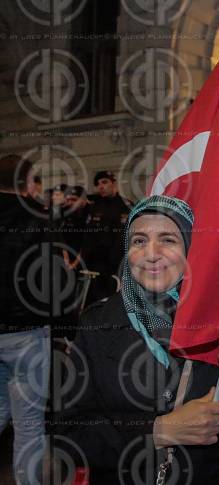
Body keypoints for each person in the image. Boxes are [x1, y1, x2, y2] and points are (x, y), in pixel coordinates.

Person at [55, 195, 219, 484]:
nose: (151, 253)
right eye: (139, 241)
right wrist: (160, 430)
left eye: (168, 239)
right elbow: (68, 431)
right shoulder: (97, 323)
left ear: (191, 249)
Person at [0, 154, 50, 485]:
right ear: (25, 183)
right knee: (29, 423)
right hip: (27, 332)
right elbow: (50, 279)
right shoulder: (37, 219)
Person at [80, 170, 133, 305]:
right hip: (97, 267)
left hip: (120, 265)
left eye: (104, 182)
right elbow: (88, 237)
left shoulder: (127, 205)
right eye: (98, 184)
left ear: (114, 183)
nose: (101, 186)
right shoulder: (94, 207)